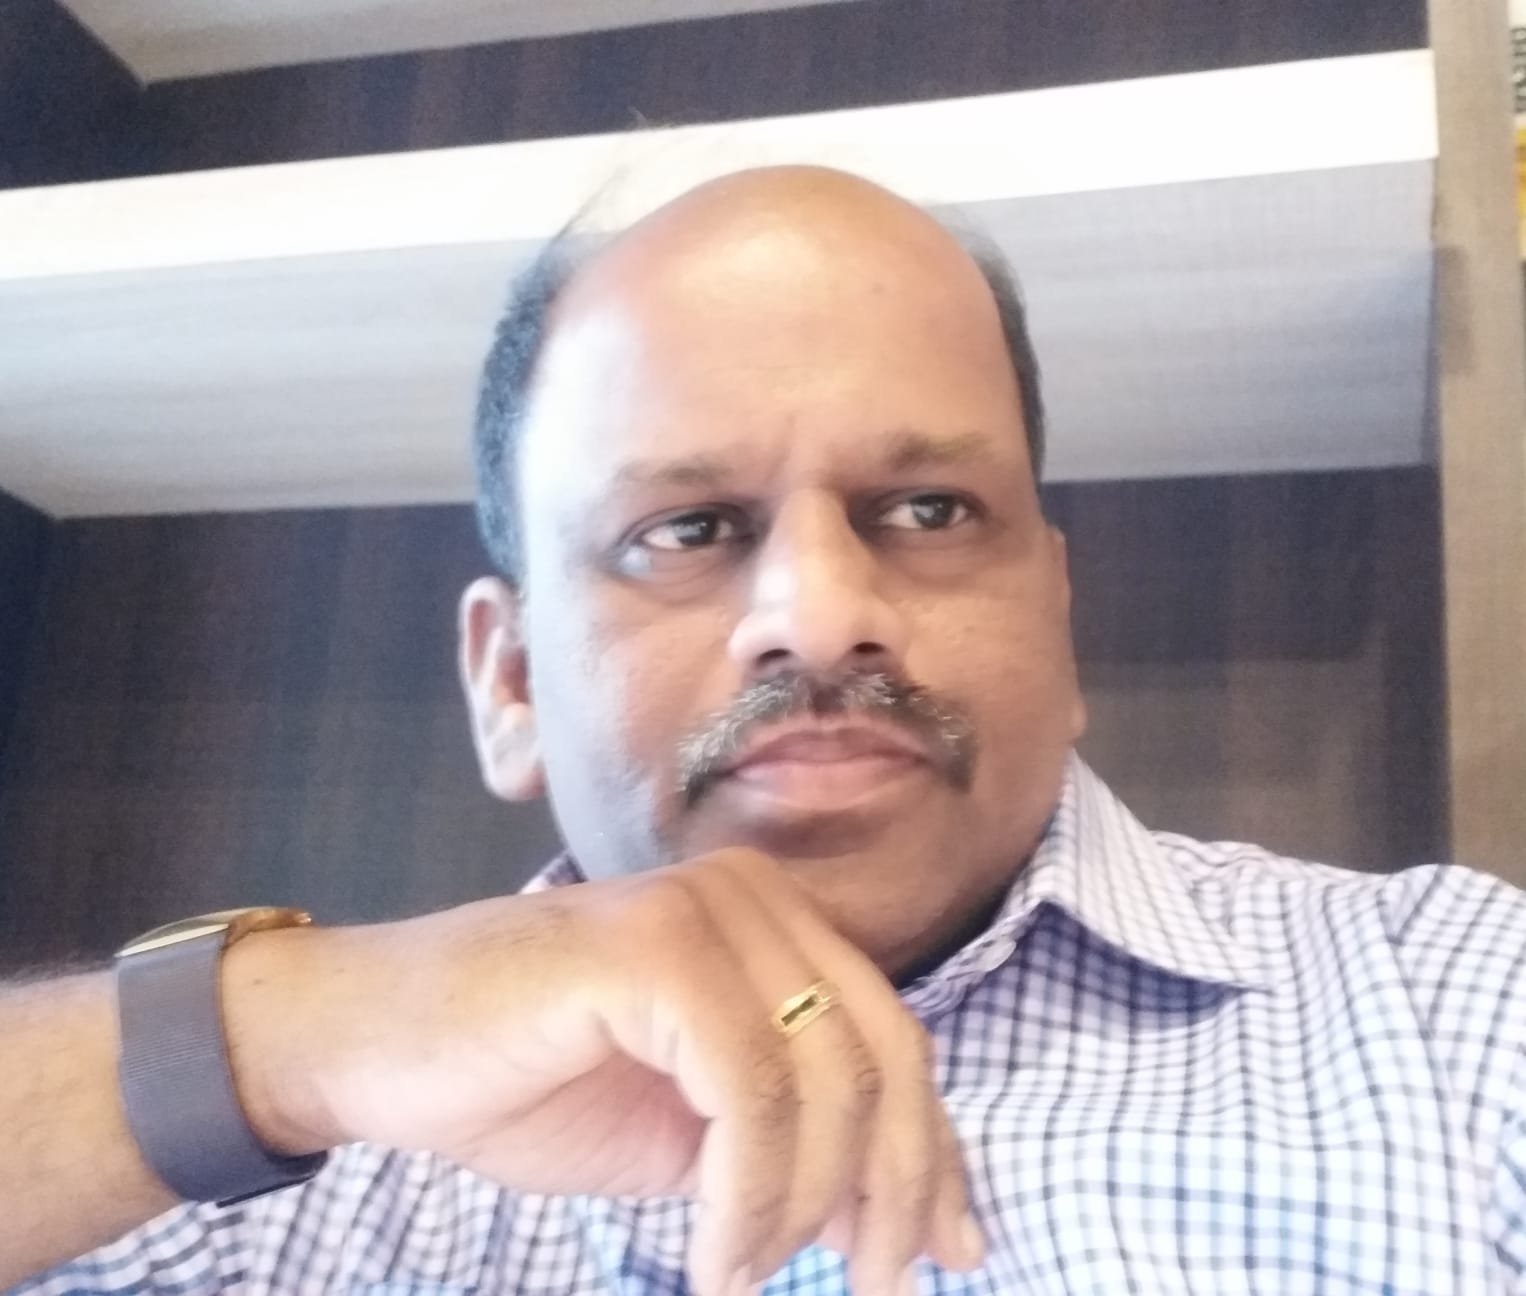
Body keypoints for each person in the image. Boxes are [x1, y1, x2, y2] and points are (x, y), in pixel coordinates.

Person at [3, 165, 1523, 1296]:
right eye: (686, 530)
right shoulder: (257, 1180)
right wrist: (266, 1037)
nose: (820, 612)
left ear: (1057, 617)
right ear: (509, 680)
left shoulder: (1460, 1012)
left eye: (928, 511)